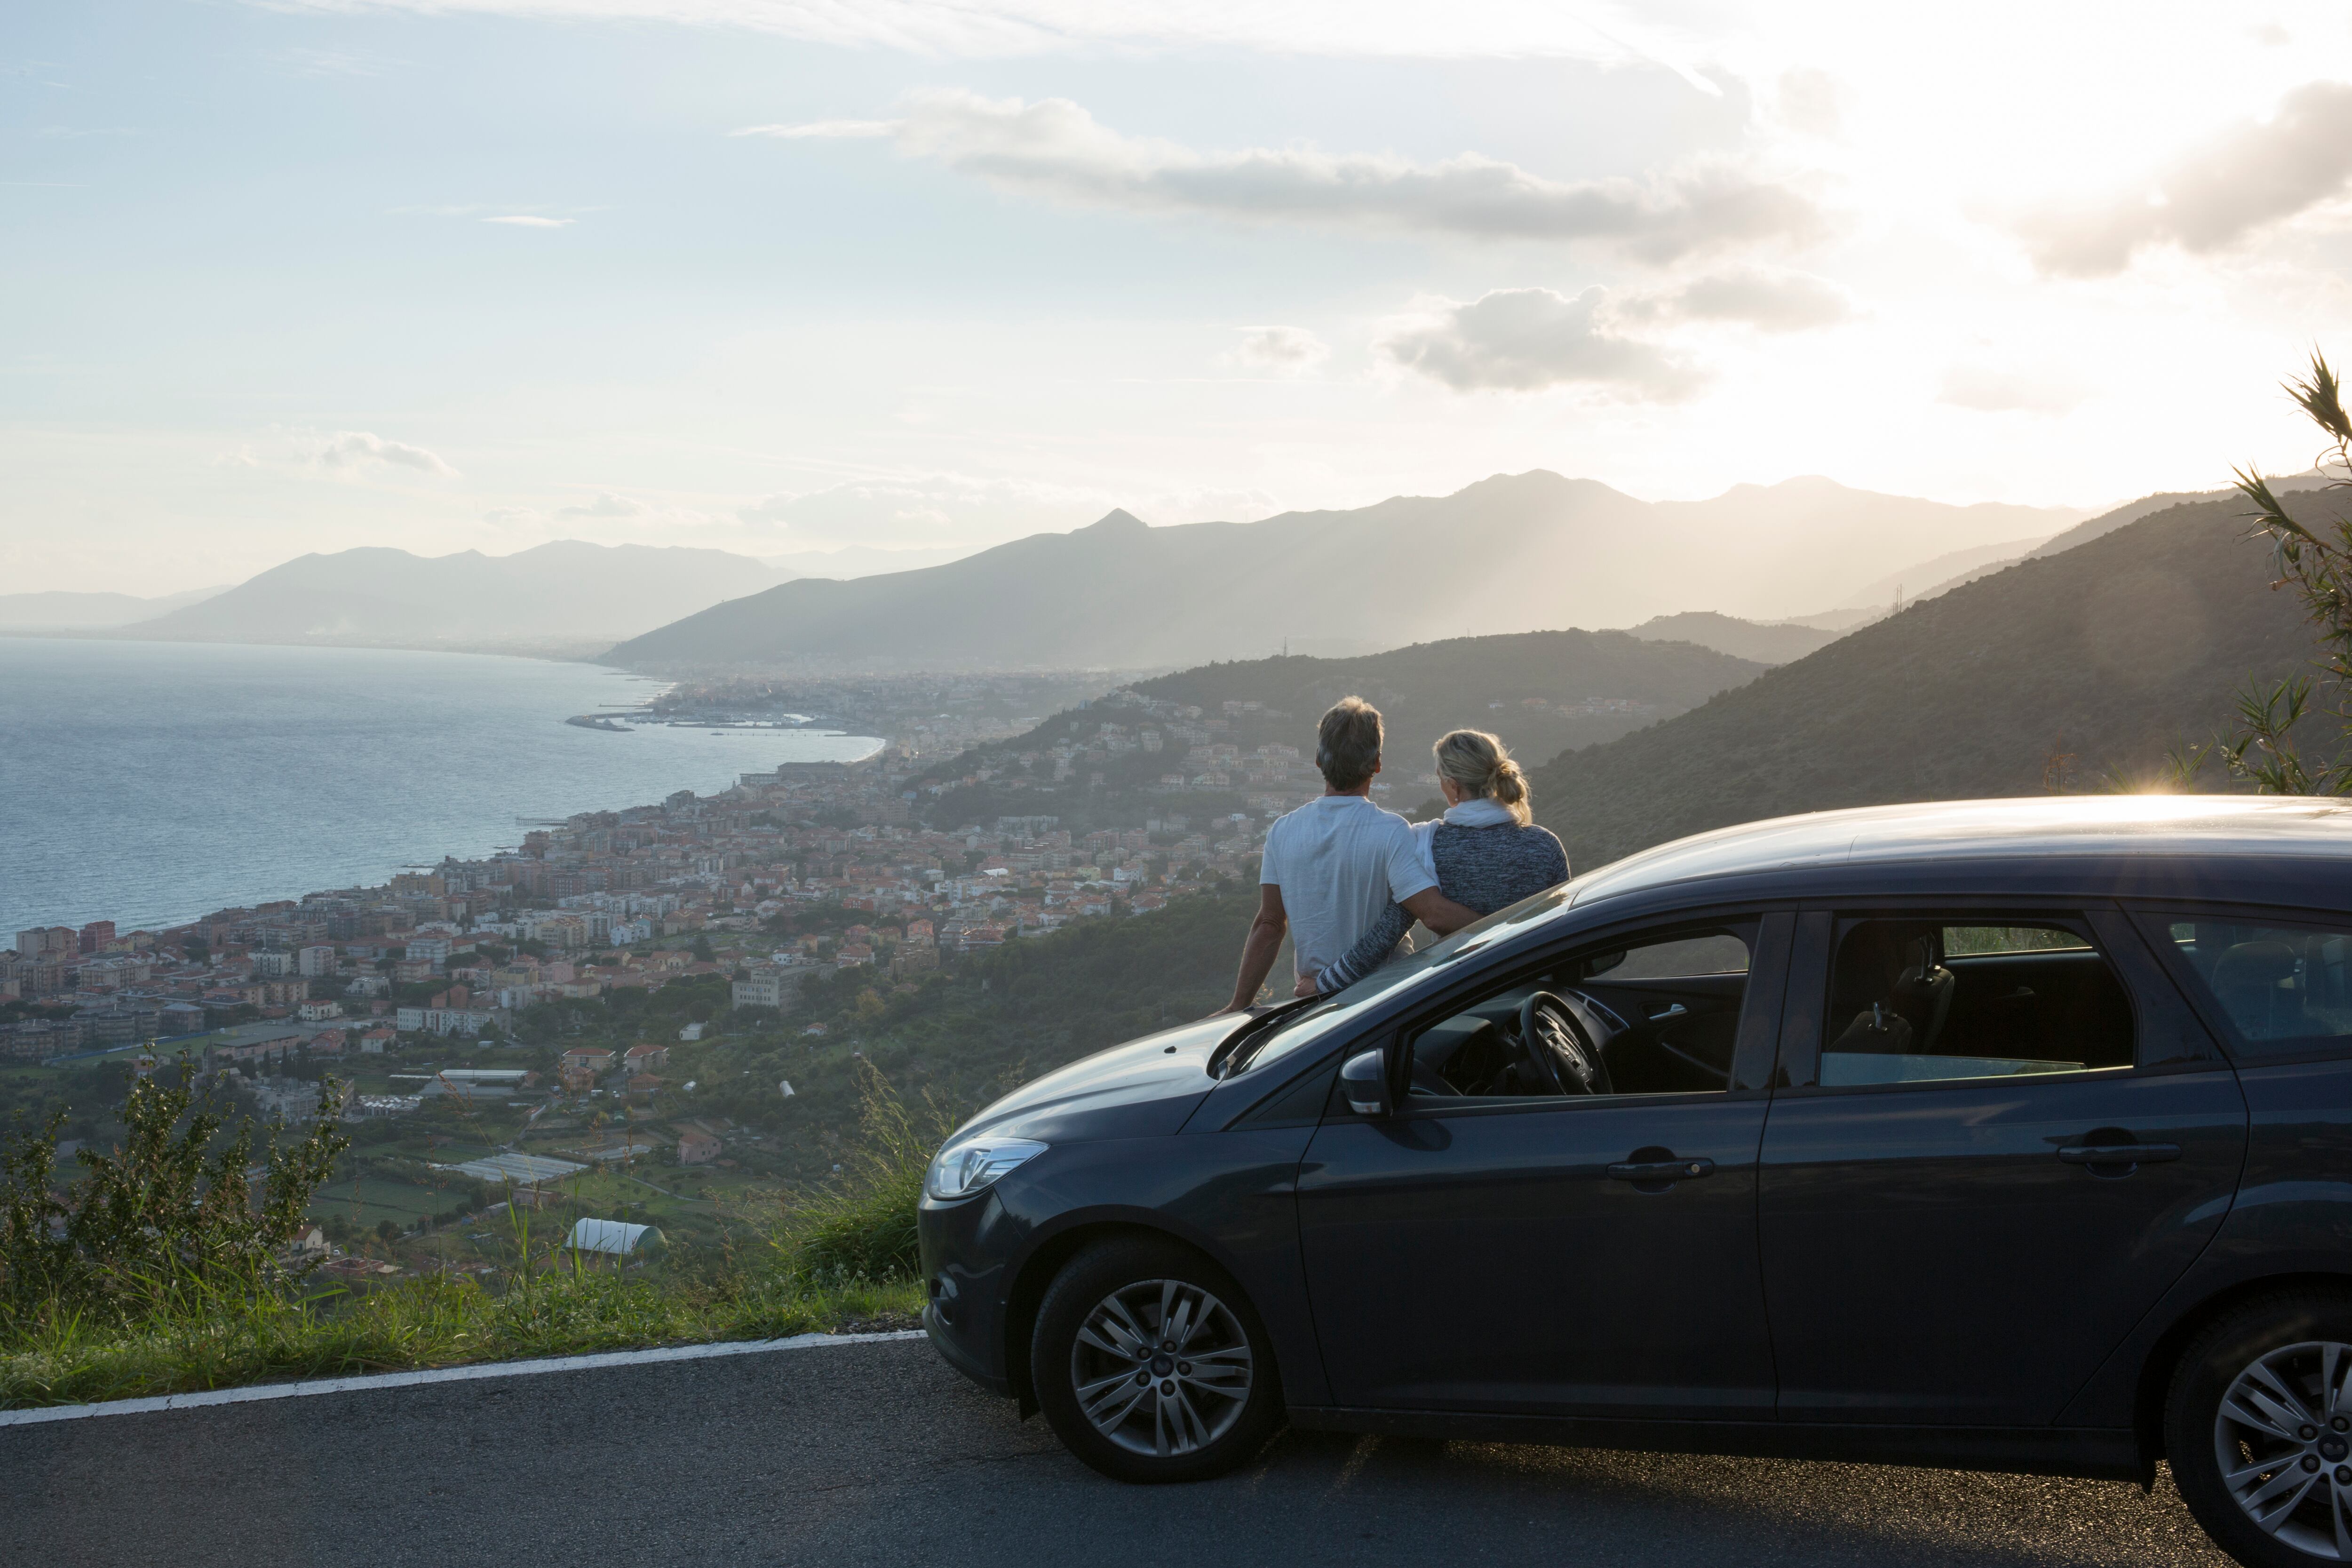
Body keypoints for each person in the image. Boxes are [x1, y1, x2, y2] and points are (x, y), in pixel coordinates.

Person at [1222, 697, 1477, 1013]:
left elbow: (1270, 924)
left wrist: (1238, 1004)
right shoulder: (1392, 831)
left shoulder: (1283, 831)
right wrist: (1519, 923)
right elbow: (1433, 913)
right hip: (1387, 1002)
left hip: (1317, 1006)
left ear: (1318, 760)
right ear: (1377, 764)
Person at [1303, 729, 1568, 996]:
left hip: (1463, 1000)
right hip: (1539, 999)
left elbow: (1386, 933)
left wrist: (1325, 983)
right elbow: (1566, 932)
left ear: (1454, 787)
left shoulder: (1428, 845)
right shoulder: (1546, 845)